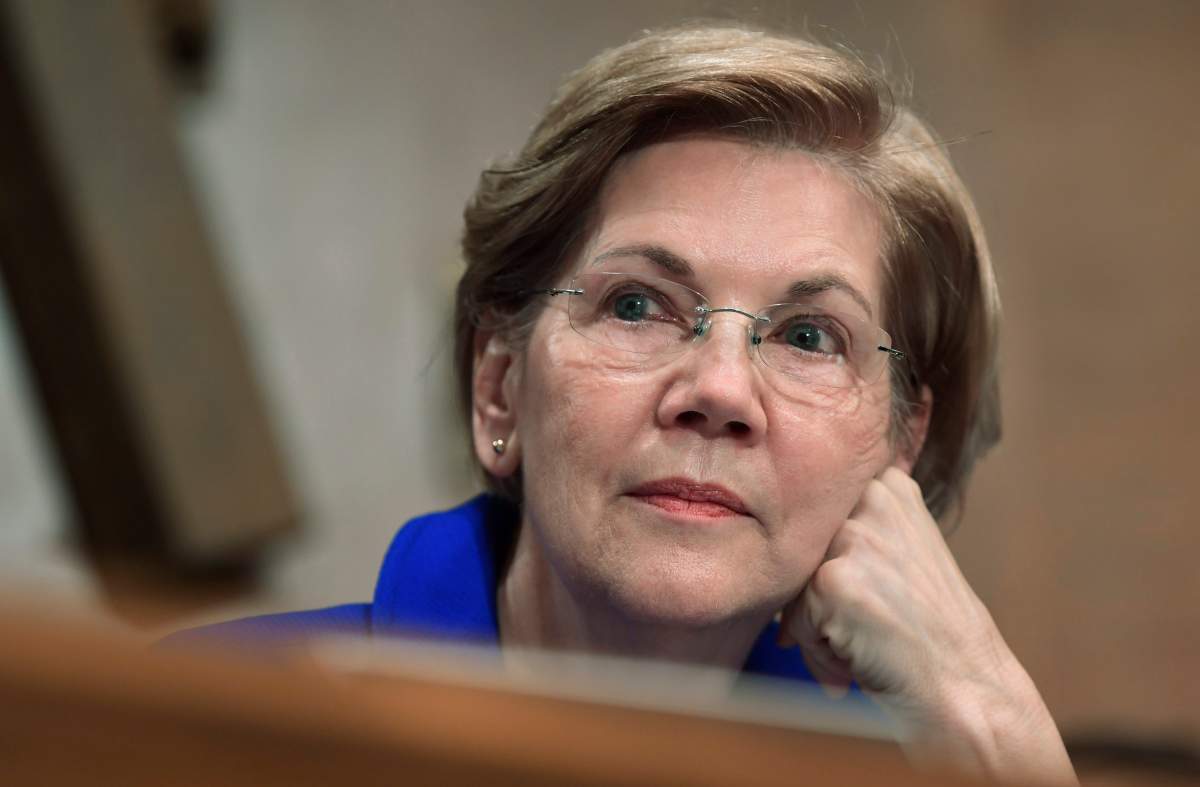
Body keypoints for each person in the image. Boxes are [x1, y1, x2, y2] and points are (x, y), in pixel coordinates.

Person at [172, 24, 1076, 783]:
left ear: (894, 448)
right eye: (637, 305)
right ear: (500, 384)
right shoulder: (192, 723)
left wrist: (989, 709)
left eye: (808, 336)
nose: (719, 391)